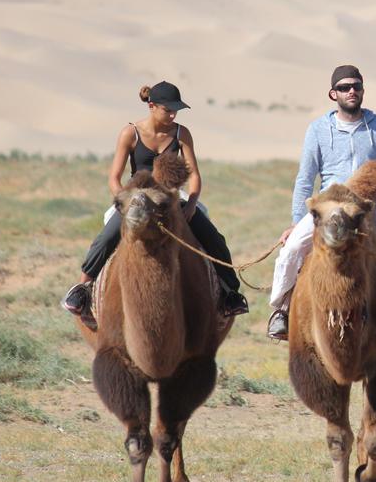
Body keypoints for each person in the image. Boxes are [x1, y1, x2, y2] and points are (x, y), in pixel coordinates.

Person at [61, 81, 248, 329]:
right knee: (106, 238)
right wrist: (123, 201)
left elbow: (194, 175)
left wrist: (192, 203)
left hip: (171, 198)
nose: (172, 115)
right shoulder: (130, 133)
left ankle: (230, 293)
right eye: (167, 109)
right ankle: (82, 289)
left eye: (176, 110)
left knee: (213, 238)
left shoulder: (181, 134)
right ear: (152, 106)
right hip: (136, 199)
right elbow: (114, 177)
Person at [266, 65, 376, 353]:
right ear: (333, 94)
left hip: (365, 211)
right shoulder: (318, 129)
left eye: (356, 86)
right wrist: (296, 221)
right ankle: (281, 311)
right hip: (328, 210)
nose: (351, 91)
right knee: (290, 251)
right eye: (344, 87)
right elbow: (305, 178)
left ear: (363, 90)